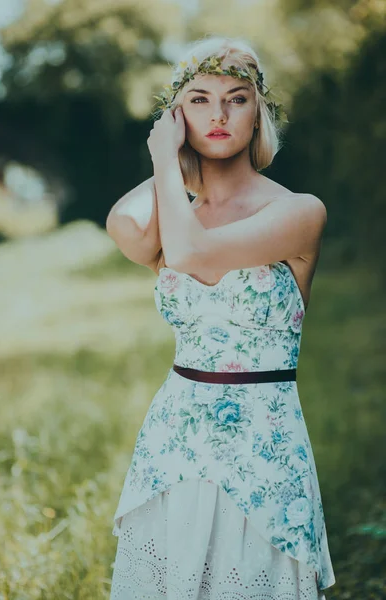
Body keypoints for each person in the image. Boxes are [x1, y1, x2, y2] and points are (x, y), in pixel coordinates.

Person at [106, 34, 336, 600]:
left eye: (236, 98)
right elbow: (124, 225)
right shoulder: (177, 217)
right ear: (177, 116)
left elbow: (191, 256)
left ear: (258, 113)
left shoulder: (299, 212)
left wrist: (166, 158)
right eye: (200, 99)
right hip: (175, 441)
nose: (218, 114)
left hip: (264, 445)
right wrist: (175, 159)